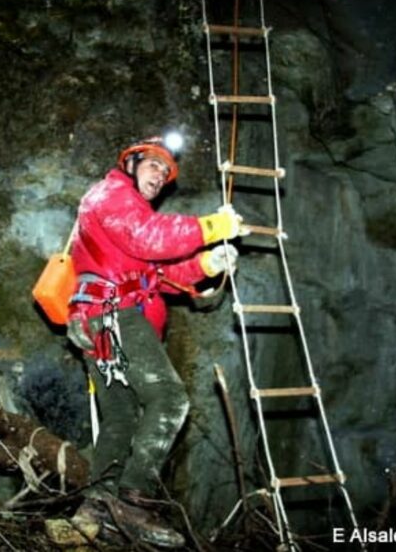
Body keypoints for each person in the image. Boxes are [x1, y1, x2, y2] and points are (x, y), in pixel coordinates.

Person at [67, 135, 243, 547]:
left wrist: (206, 263)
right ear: (131, 164)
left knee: (122, 418)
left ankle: (98, 508)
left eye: (165, 172)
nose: (160, 176)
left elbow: (158, 274)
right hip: (114, 318)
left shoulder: (127, 213)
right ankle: (133, 499)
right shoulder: (111, 195)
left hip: (103, 319)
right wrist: (211, 226)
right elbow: (148, 237)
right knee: (169, 399)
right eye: (153, 166)